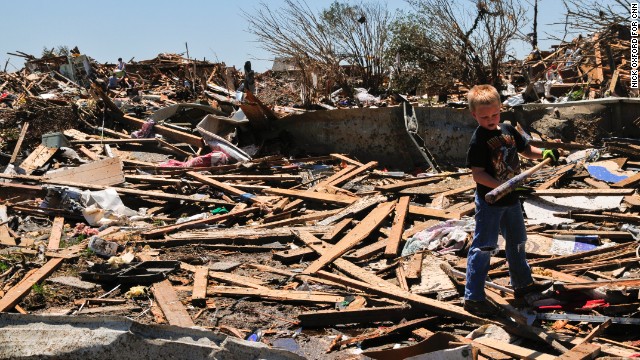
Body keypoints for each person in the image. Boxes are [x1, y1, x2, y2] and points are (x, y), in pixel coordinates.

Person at [464, 84, 559, 316]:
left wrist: (544, 153)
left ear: (501, 109)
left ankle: (523, 286)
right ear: (473, 114)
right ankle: (473, 297)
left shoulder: (506, 129)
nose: (490, 119)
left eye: (494, 114)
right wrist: (502, 186)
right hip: (491, 202)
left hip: (511, 200)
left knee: (517, 242)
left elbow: (526, 150)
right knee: (484, 246)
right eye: (484, 116)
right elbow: (478, 174)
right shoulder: (478, 140)